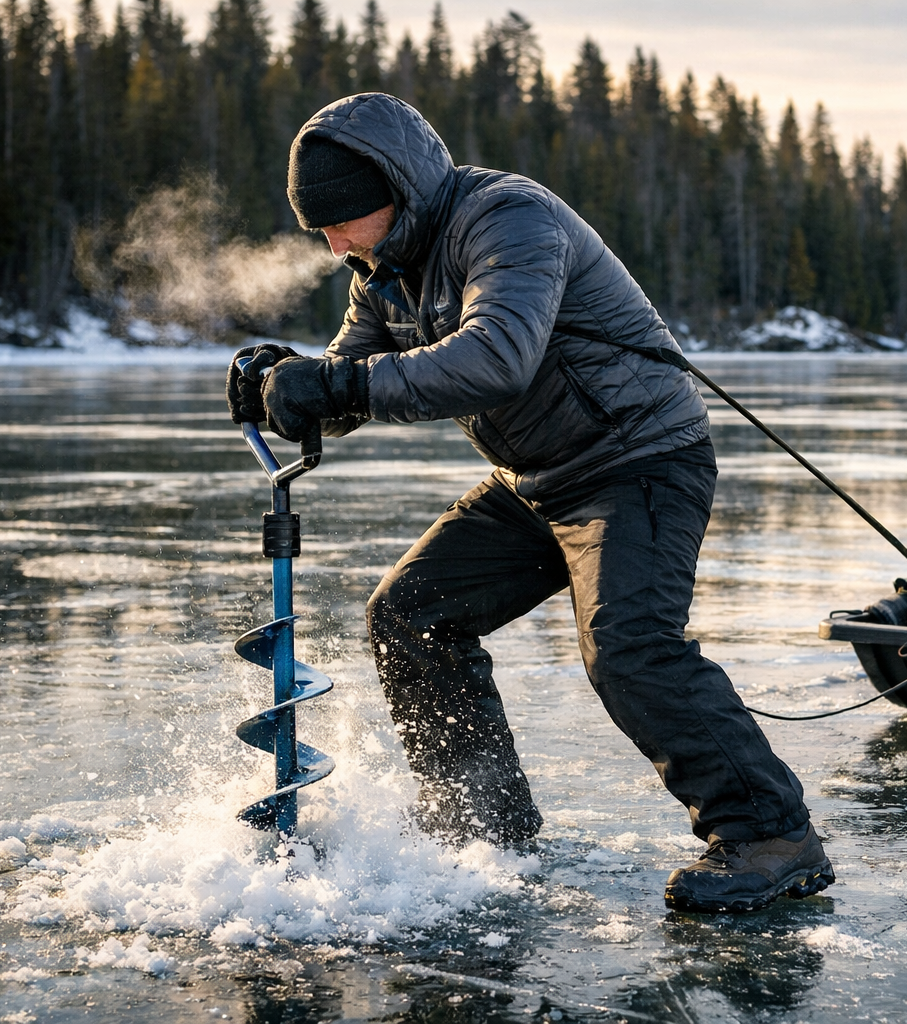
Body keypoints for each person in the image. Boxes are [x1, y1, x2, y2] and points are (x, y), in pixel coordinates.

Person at [225, 92, 834, 913]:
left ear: (398, 187)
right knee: (410, 613)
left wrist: (338, 380)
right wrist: (285, 383)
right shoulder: (383, 272)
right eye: (320, 231)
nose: (334, 244)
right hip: (536, 480)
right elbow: (352, 380)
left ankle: (772, 834)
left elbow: (494, 359)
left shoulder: (506, 218)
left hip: (639, 459)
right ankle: (482, 826)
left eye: (343, 221)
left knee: (627, 645)